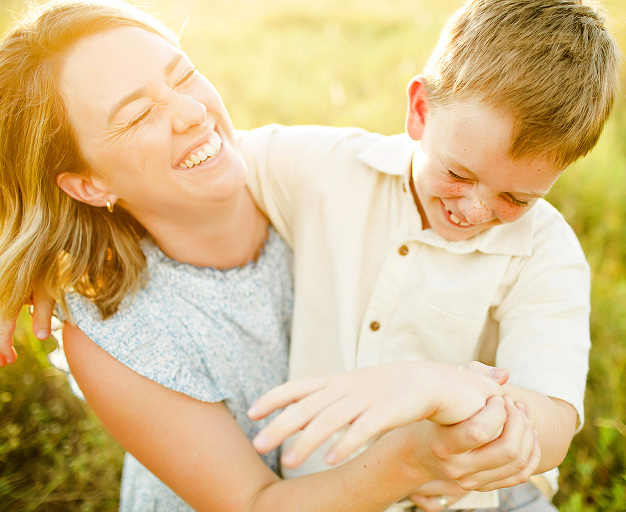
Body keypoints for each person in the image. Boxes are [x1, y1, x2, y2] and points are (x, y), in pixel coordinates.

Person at [0, 1, 542, 511]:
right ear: (90, 186)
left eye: (183, 74)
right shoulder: (115, 334)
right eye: (137, 113)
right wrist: (419, 457)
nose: (191, 111)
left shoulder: (311, 185)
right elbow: (255, 503)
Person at [235, 0, 621, 510]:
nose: (475, 208)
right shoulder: (325, 170)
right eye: (459, 175)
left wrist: (441, 387)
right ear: (420, 110)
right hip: (320, 490)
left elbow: (552, 426)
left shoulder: (545, 251)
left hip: (475, 500)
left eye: (516, 199)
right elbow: (205, 161)